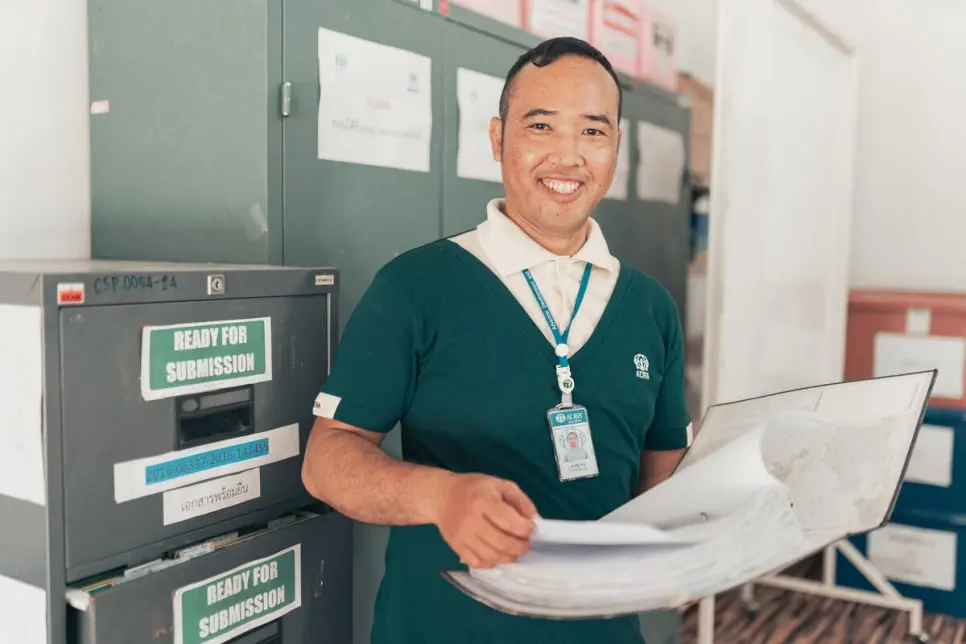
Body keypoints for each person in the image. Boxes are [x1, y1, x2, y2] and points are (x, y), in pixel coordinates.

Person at [302, 36, 692, 644]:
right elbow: (326, 461)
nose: (567, 157)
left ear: (616, 146)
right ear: (497, 138)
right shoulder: (415, 287)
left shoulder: (650, 308)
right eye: (541, 126)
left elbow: (662, 472)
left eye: (592, 132)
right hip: (442, 627)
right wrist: (441, 496)